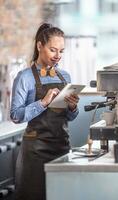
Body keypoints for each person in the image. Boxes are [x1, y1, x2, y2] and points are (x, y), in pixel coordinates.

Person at [10, 23, 79, 200]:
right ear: (40, 46)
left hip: (62, 147)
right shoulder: (24, 77)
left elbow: (69, 117)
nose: (58, 56)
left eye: (61, 51)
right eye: (53, 50)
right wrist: (43, 102)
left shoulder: (65, 76)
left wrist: (72, 107)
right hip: (36, 152)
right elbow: (16, 116)